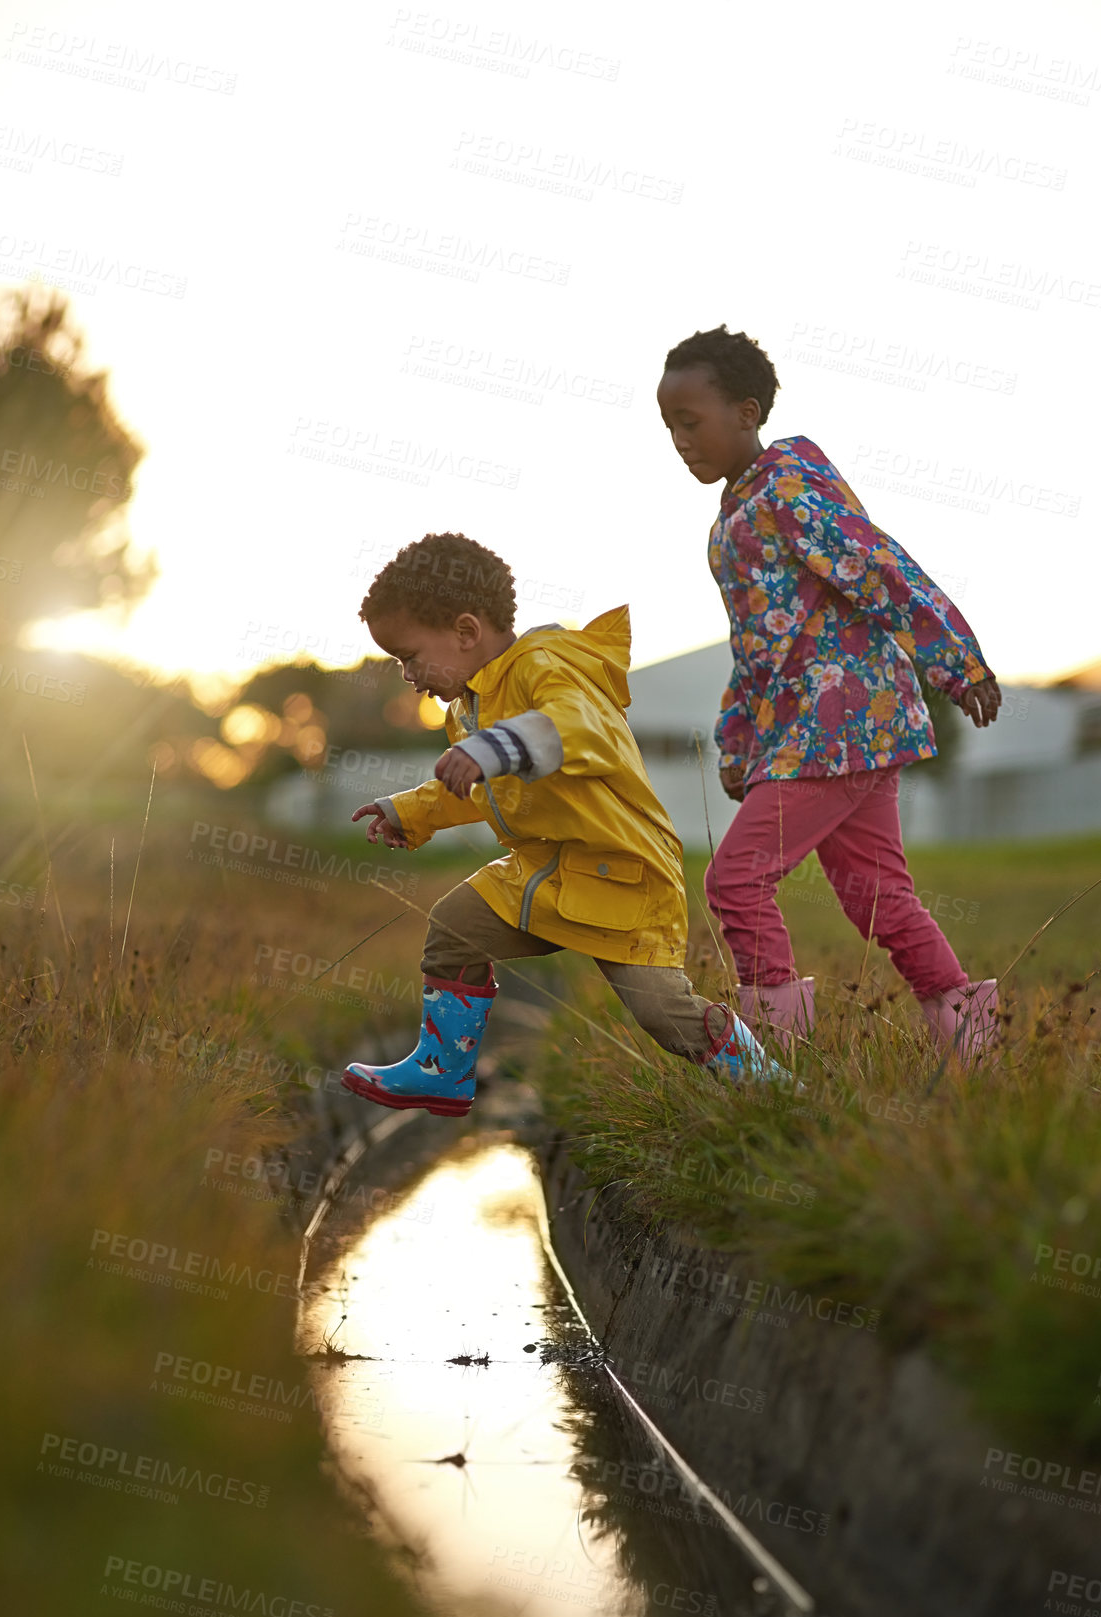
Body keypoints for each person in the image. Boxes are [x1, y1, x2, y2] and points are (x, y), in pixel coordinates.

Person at [342, 531, 789, 1116]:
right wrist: (410, 810)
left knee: (663, 1012)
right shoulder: (470, 705)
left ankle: (778, 1091)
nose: (405, 675)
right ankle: (442, 1070)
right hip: (545, 872)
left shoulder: (545, 667)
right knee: (456, 925)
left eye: (407, 656)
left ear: (466, 631)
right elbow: (482, 789)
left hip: (621, 874)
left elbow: (572, 728)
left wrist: (494, 746)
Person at [656, 325, 1003, 1063]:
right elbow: (758, 646)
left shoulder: (788, 488)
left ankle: (772, 1065)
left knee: (735, 880)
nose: (680, 441)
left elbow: (877, 567)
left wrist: (955, 658)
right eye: (669, 428)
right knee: (877, 895)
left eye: (691, 422)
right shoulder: (731, 522)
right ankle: (967, 1036)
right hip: (828, 735)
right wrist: (739, 740)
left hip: (842, 727)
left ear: (746, 412)